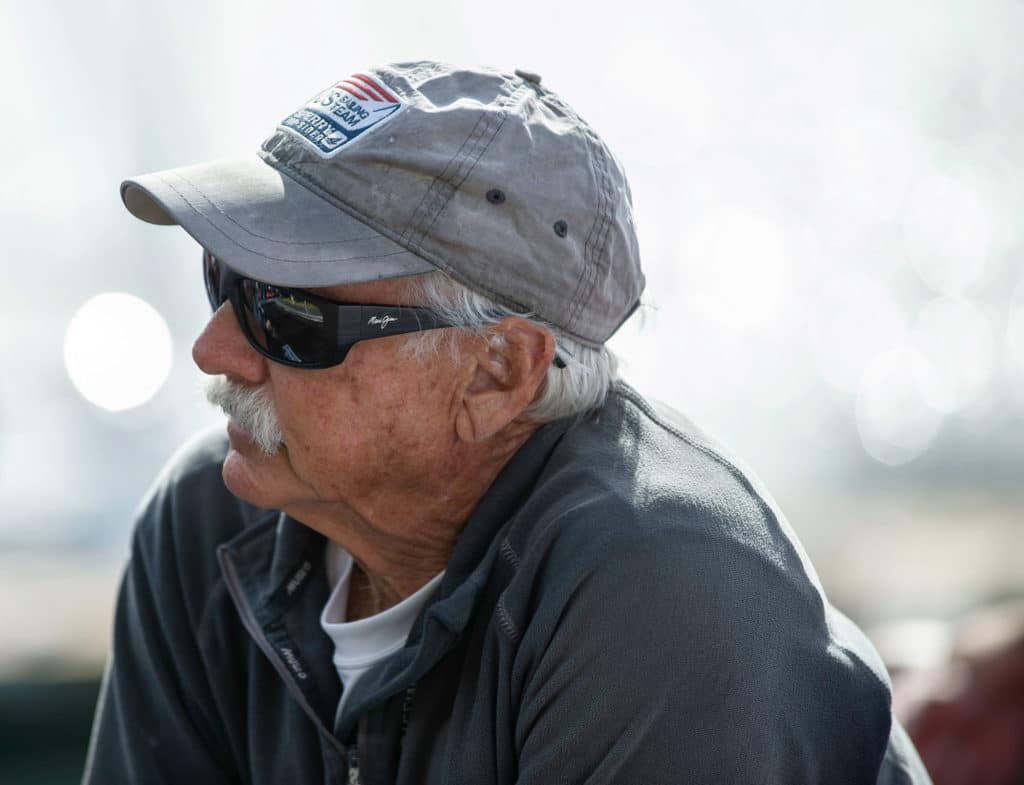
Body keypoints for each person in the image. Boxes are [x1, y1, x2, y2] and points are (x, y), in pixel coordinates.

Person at [83, 62, 932, 785]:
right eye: (224, 277)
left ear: (497, 372)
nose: (213, 349)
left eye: (286, 313)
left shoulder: (667, 601)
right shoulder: (208, 524)